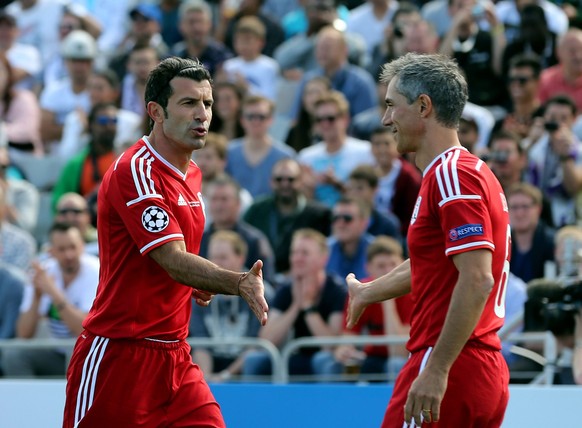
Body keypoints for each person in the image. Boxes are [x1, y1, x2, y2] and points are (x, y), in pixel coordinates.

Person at [62, 57, 269, 428]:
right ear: (155, 111)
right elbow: (171, 258)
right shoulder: (135, 170)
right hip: (119, 354)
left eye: (206, 103)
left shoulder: (192, 173)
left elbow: (165, 260)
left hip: (176, 356)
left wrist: (195, 281)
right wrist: (235, 282)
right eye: (188, 103)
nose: (202, 114)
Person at [346, 53, 510, 427]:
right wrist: (371, 291)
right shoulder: (469, 171)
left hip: (451, 361)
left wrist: (437, 369)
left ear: (423, 106)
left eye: (392, 106)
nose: (386, 119)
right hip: (477, 364)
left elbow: (477, 278)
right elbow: (438, 261)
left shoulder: (451, 176)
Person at [243, 228, 346, 378]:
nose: (297, 258)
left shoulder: (337, 291)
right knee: (254, 360)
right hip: (293, 356)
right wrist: (296, 306)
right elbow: (267, 340)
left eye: (305, 253)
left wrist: (309, 307)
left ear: (323, 258)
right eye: (294, 253)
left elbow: (331, 345)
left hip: (322, 358)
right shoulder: (285, 290)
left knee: (324, 360)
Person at [1, 222, 99, 378]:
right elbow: (23, 335)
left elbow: (86, 330)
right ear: (51, 251)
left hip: (90, 356)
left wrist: (54, 293)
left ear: (82, 246)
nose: (68, 255)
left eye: (72, 247)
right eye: (61, 249)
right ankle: (30, 402)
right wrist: (36, 297)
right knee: (14, 355)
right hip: (58, 354)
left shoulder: (95, 271)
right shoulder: (42, 272)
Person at [190, 230, 271, 382]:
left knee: (254, 360)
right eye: (213, 257)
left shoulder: (260, 292)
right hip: (211, 360)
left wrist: (225, 376)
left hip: (245, 364)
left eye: (223, 257)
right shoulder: (198, 292)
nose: (217, 262)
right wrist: (206, 379)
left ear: (240, 258)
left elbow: (255, 343)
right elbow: (201, 344)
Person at [243, 158, 332, 275]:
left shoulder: (319, 214)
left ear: (300, 181)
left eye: (291, 179)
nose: (285, 184)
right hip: (259, 275)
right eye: (279, 179)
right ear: (271, 182)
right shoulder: (257, 209)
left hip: (301, 276)